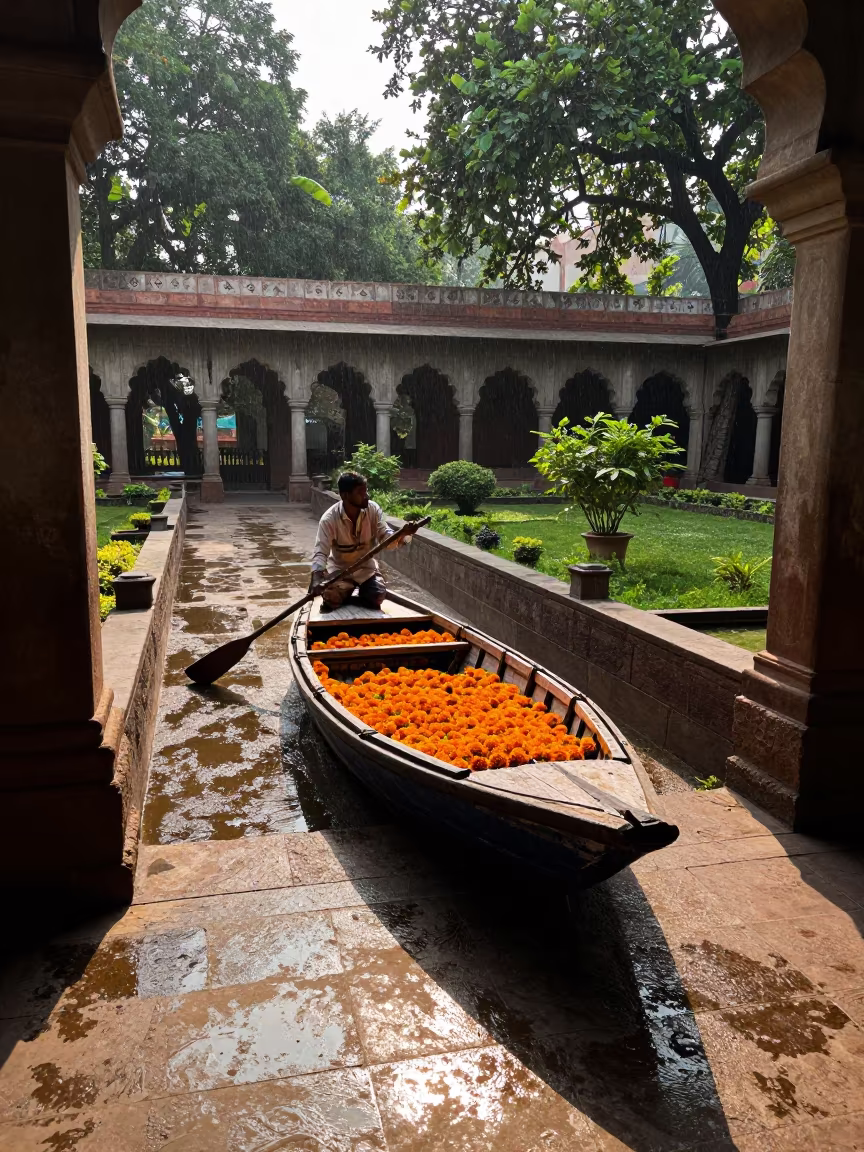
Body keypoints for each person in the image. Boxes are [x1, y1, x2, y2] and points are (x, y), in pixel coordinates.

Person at [309, 472, 419, 610]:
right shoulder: (329, 519)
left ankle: (357, 593)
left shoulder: (373, 510)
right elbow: (320, 552)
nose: (366, 496)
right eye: (360, 492)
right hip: (340, 571)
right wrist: (316, 578)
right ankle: (345, 592)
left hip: (367, 570)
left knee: (377, 597)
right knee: (331, 599)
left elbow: (386, 538)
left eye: (365, 491)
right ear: (345, 496)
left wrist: (402, 535)